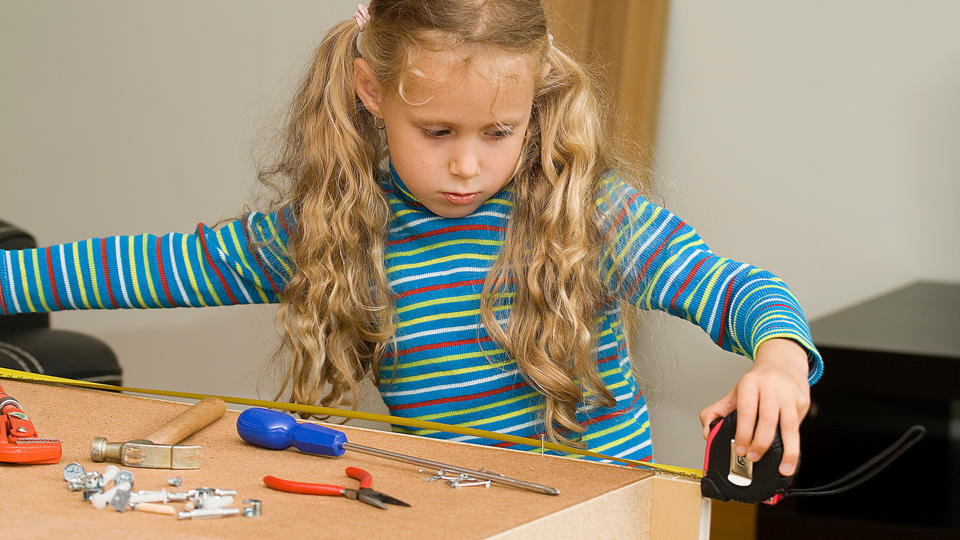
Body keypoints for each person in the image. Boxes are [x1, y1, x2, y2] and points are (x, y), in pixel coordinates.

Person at [0, 0, 820, 476]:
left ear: (537, 100)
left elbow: (738, 289)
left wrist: (779, 358)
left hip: (602, 512)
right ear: (369, 90)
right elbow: (140, 268)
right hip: (453, 510)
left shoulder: (587, 211)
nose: (467, 165)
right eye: (435, 130)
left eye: (500, 131)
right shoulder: (335, 229)